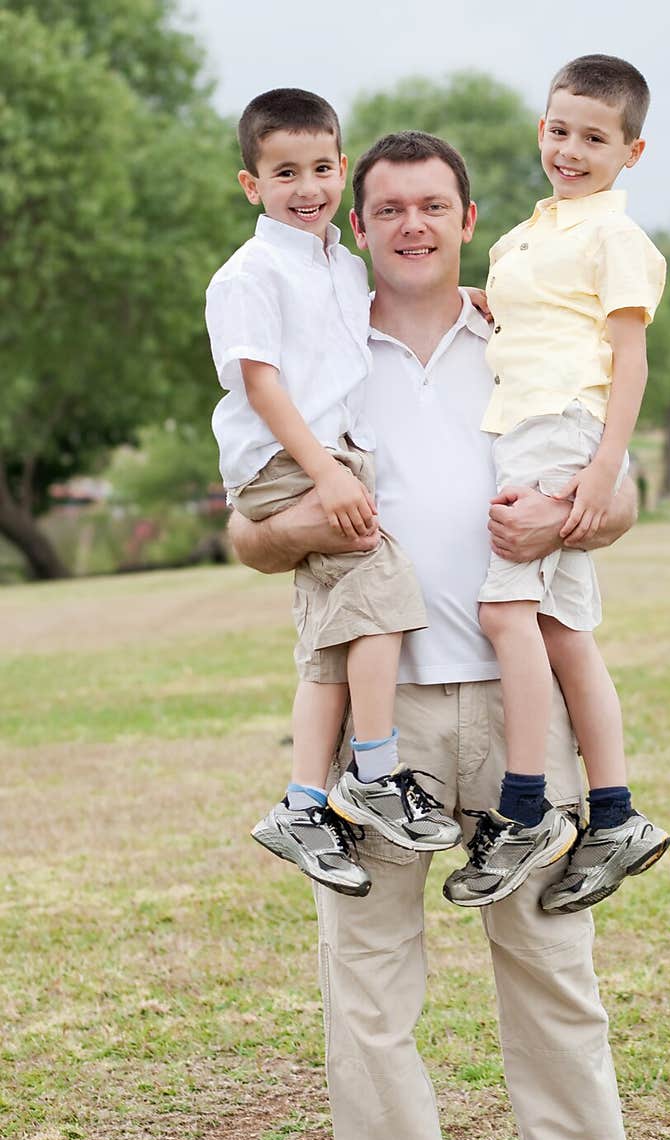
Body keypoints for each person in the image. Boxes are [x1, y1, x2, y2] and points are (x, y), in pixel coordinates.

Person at [229, 131, 670, 1140]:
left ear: (470, 218)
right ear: (358, 225)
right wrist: (309, 523)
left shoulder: (523, 333)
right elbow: (245, 532)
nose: (413, 225)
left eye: (434, 206)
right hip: (378, 718)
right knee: (368, 972)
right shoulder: (318, 349)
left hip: (511, 699)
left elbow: (614, 491)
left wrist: (571, 519)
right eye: (390, 210)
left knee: (547, 951)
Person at [205, 88, 461, 902]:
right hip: (289, 458)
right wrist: (324, 472)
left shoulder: (339, 266)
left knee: (331, 642)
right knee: (386, 590)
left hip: (329, 455)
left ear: (340, 168)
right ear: (252, 185)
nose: (307, 186)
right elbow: (262, 383)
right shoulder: (251, 274)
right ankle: (376, 774)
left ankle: (303, 802)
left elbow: (375, 320)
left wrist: (478, 300)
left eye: (321, 167)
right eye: (285, 173)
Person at [444, 55, 670, 915]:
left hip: (563, 431)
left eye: (594, 138)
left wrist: (601, 473)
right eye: (559, 129)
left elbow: (628, 357)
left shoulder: (617, 238)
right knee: (563, 629)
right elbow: (535, 316)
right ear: (542, 127)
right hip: (526, 427)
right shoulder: (524, 237)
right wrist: (484, 302)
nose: (571, 150)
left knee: (504, 611)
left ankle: (529, 807)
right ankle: (615, 816)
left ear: (631, 151)